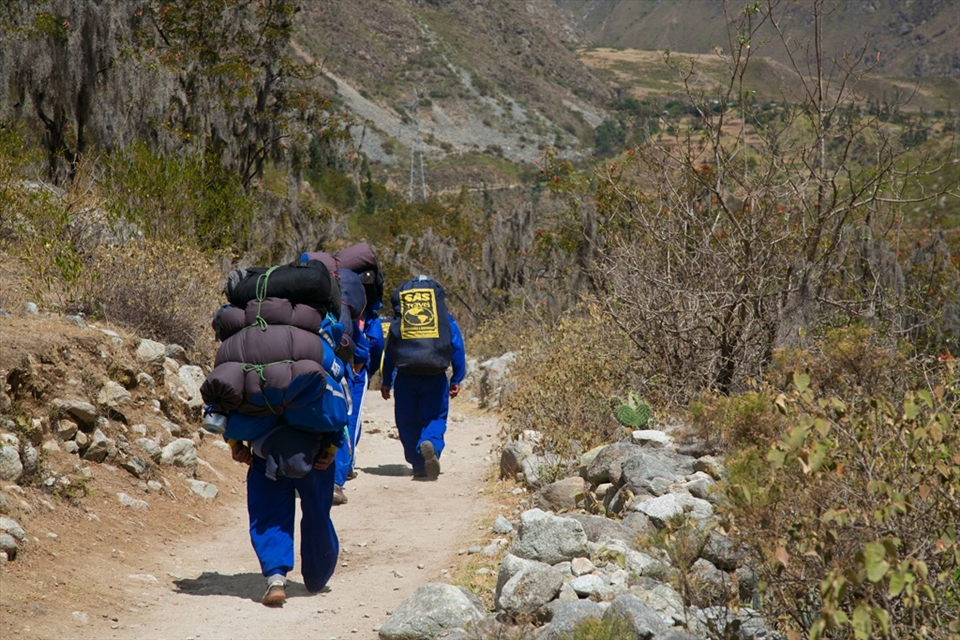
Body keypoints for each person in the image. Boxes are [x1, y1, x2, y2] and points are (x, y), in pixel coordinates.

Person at [230, 431, 341, 606]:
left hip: (265, 452)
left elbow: (223, 407)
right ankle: (317, 575)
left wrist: (234, 442)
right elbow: (338, 407)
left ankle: (276, 579)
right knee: (317, 514)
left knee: (270, 516)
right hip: (314, 454)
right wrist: (333, 446)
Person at [380, 276, 465, 479]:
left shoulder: (402, 320)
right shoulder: (445, 319)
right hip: (435, 376)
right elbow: (457, 347)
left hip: (406, 376)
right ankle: (431, 445)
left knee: (407, 421)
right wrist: (457, 378)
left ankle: (418, 464)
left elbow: (389, 350)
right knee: (435, 416)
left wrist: (386, 380)